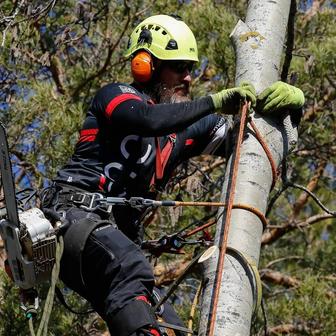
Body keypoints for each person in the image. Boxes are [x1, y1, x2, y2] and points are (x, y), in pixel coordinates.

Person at [41, 14, 304, 336]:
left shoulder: (186, 130)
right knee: (132, 269)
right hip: (72, 217)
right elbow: (146, 119)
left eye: (190, 69)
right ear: (145, 65)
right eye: (179, 67)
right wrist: (215, 101)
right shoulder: (115, 96)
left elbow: (255, 147)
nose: (189, 78)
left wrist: (289, 112)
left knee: (170, 323)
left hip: (109, 245)